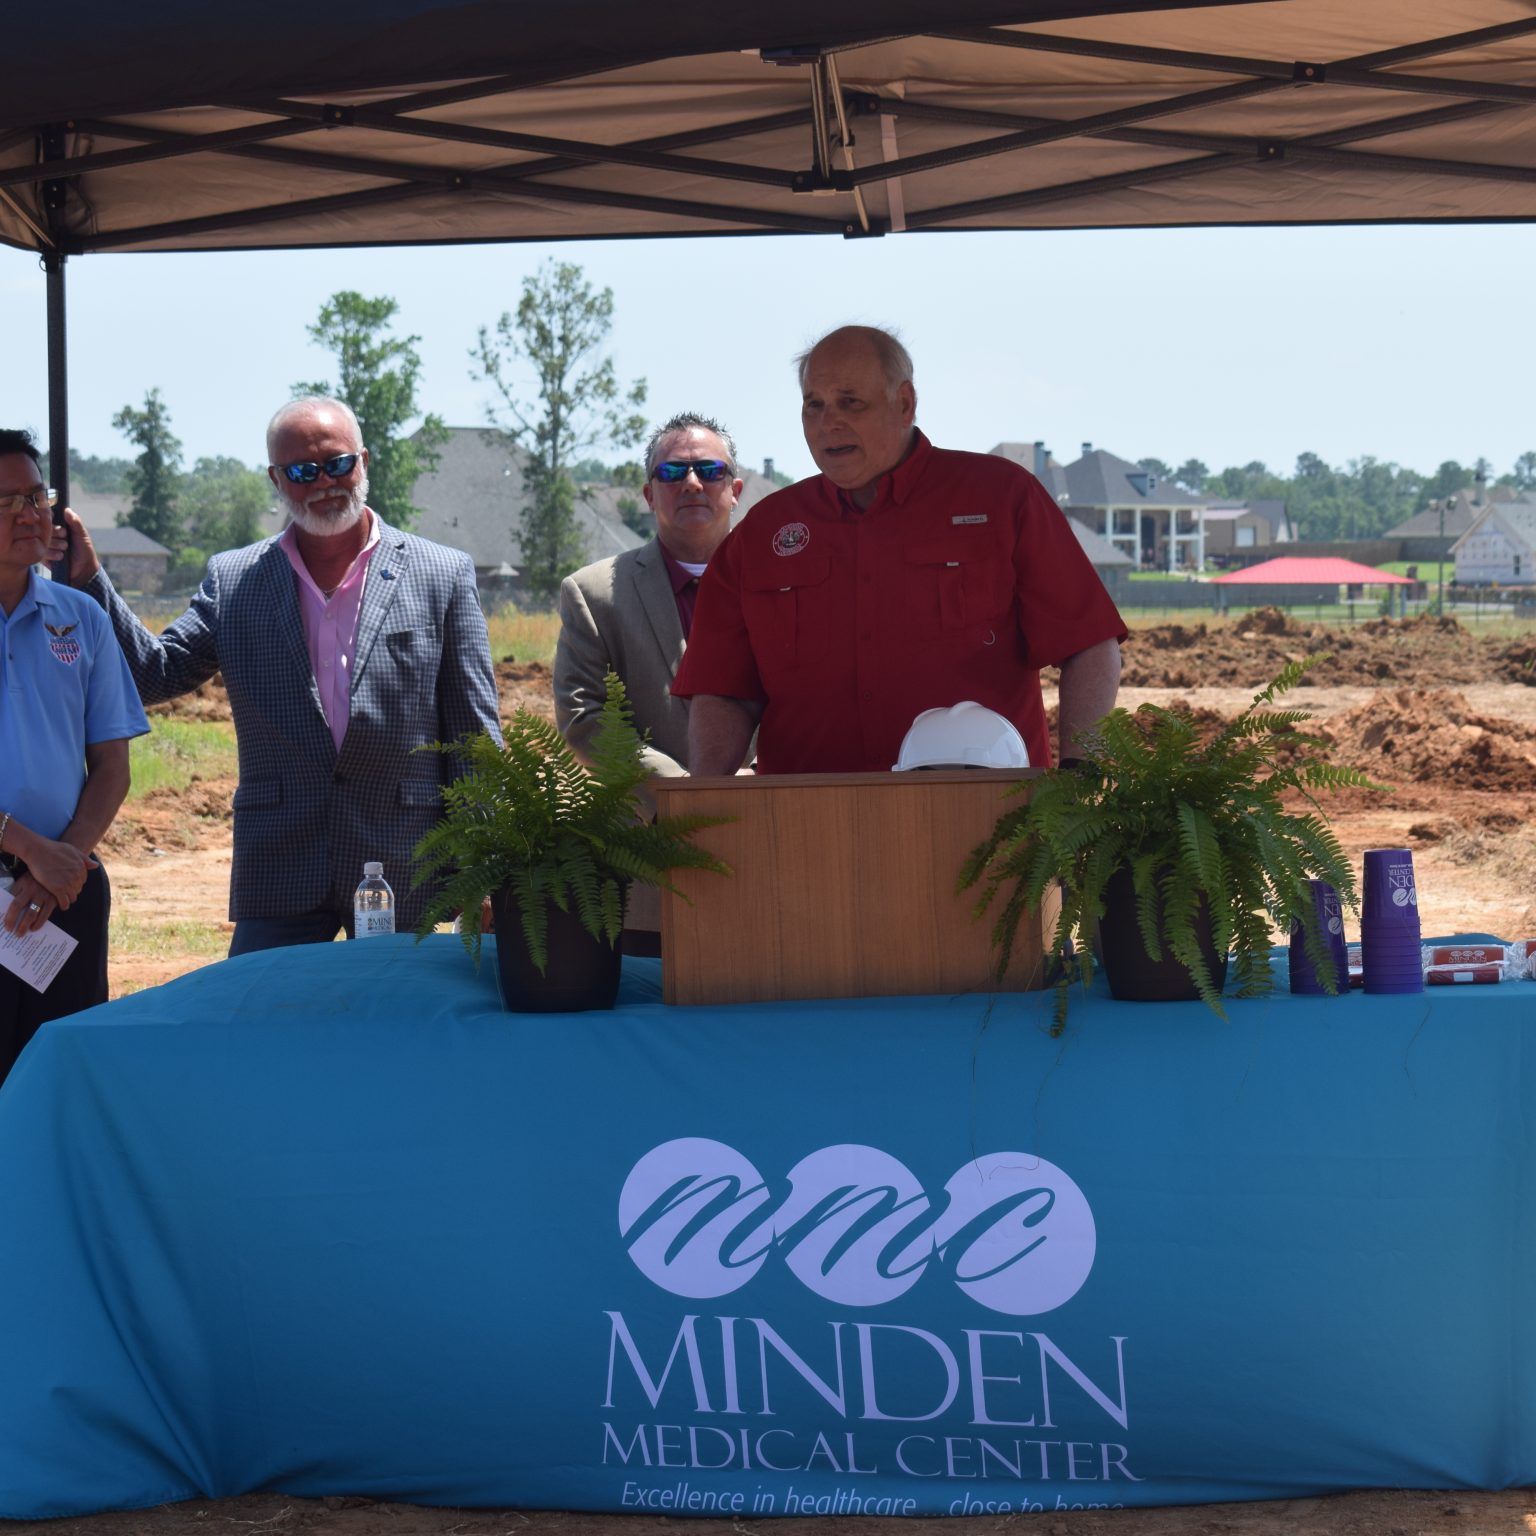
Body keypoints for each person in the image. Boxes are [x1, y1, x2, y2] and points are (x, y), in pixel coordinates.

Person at [55, 396, 501, 951]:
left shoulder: (442, 575)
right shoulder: (236, 579)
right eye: (301, 472)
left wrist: (485, 867)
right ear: (275, 479)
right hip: (282, 865)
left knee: (400, 1028)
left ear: (364, 461)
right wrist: (92, 580)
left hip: (404, 856)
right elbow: (155, 673)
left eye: (338, 464)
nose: (324, 483)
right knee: (265, 1027)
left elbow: (474, 741)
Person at [673, 326, 1125, 775]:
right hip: (807, 826)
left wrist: (1080, 774)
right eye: (815, 405)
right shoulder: (763, 533)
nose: (829, 422)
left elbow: (1088, 644)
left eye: (851, 402)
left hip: (987, 819)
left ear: (904, 402)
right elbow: (724, 689)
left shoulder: (1002, 498)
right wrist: (706, 802)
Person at [554, 411, 744, 951]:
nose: (690, 483)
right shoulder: (593, 594)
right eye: (671, 473)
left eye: (708, 470)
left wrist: (763, 779)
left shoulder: (785, 589)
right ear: (647, 493)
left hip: (770, 855)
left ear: (734, 489)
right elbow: (584, 719)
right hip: (647, 876)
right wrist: (683, 793)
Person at [0, 429, 149, 1080]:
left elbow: (112, 765)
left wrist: (60, 860)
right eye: (7, 502)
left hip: (64, 888)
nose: (31, 514)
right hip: (34, 870)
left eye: (37, 495)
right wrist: (28, 848)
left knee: (63, 1073)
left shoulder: (80, 619)